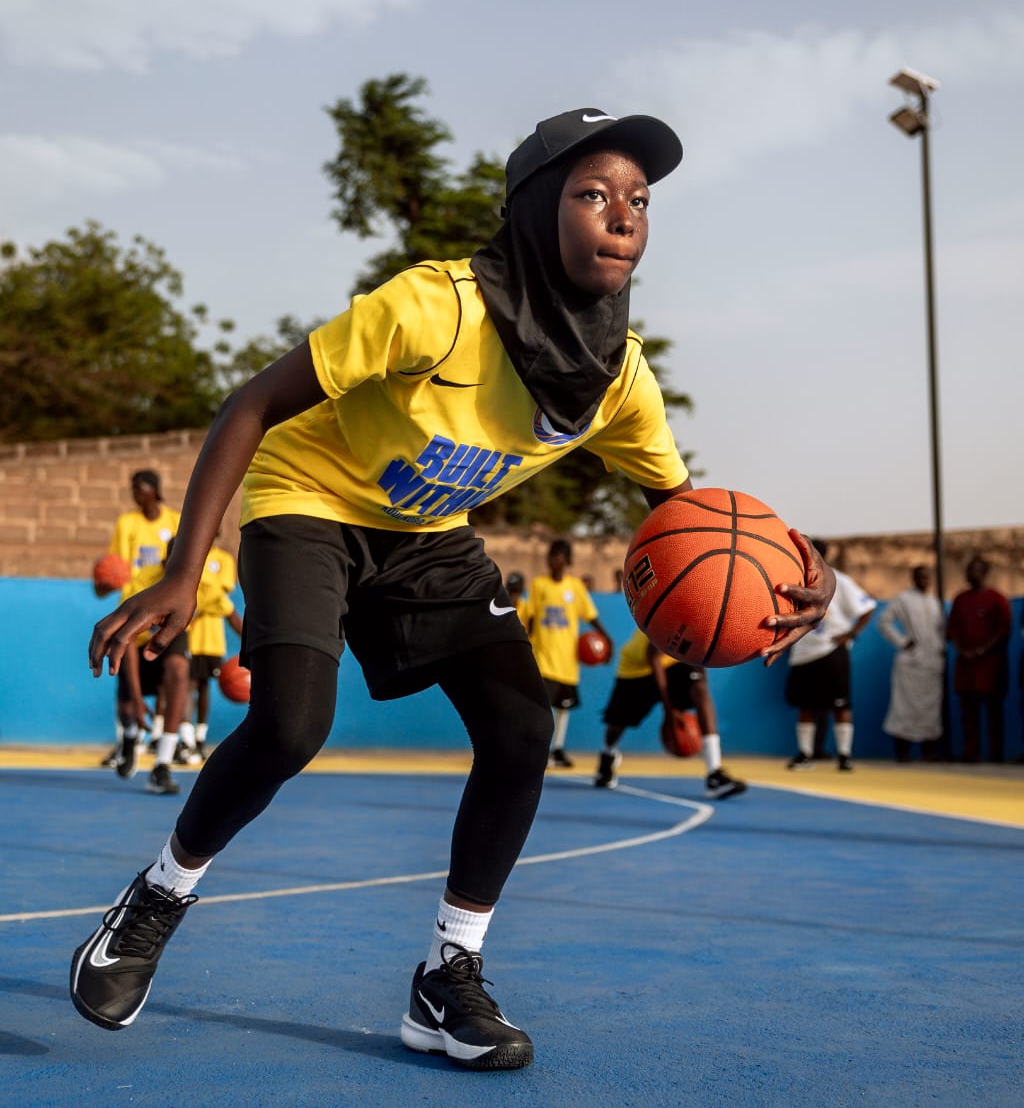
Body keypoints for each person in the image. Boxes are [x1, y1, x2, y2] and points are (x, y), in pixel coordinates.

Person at [72, 105, 834, 1071]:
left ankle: (447, 977)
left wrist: (808, 576)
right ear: (529, 210)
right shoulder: (439, 308)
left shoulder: (615, 378)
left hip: (427, 536)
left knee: (523, 730)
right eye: (591, 192)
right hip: (310, 497)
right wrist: (186, 568)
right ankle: (159, 896)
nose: (622, 213)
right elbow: (254, 403)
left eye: (639, 200)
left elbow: (696, 526)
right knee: (291, 727)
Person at [594, 627, 746, 798]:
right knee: (616, 726)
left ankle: (714, 774)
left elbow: (700, 659)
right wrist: (669, 711)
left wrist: (698, 684)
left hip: (675, 662)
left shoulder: (708, 619)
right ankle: (607, 755)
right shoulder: (669, 617)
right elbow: (653, 657)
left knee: (700, 689)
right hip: (636, 668)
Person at [100, 470, 181, 782]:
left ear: (155, 490)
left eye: (140, 487)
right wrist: (105, 581)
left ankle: (162, 763)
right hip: (134, 612)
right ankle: (131, 737)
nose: (135, 492)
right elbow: (114, 568)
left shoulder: (175, 521)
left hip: (167, 612)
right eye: (132, 488)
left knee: (178, 672)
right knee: (126, 694)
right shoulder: (127, 524)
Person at [785, 540, 875, 772]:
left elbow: (867, 607)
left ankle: (845, 755)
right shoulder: (794, 580)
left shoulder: (838, 580)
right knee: (806, 706)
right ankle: (805, 754)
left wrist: (851, 634)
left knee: (841, 705)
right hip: (804, 651)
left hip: (831, 650)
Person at [523, 537, 613, 768]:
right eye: (552, 556)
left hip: (567, 660)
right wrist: (525, 646)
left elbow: (590, 615)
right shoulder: (539, 585)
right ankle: (535, 749)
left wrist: (606, 638)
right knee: (541, 707)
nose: (554, 560)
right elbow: (531, 617)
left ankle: (558, 749)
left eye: (559, 556)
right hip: (543, 657)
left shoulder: (575, 587)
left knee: (563, 708)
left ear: (568, 561)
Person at [179, 540, 244, 763]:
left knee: (204, 686)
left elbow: (223, 596)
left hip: (212, 640)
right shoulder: (191, 555)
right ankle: (186, 741)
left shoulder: (223, 560)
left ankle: (199, 738)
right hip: (190, 638)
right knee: (188, 685)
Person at [946, 555, 1012, 763]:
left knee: (994, 713)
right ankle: (971, 753)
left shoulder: (997, 599)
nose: (969, 573)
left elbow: (1003, 631)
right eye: (968, 569)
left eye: (974, 569)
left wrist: (982, 651)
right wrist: (962, 651)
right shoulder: (960, 599)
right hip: (966, 669)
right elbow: (952, 630)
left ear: (983, 573)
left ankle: (995, 754)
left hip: (991, 668)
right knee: (968, 714)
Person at [877, 565, 945, 762]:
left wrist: (940, 646)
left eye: (927, 577)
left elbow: (940, 630)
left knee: (931, 710)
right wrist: (902, 641)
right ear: (914, 579)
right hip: (911, 663)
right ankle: (902, 752)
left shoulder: (935, 602)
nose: (924, 581)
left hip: (932, 663)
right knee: (904, 707)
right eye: (920, 577)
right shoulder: (903, 599)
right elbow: (884, 621)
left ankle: (929, 752)